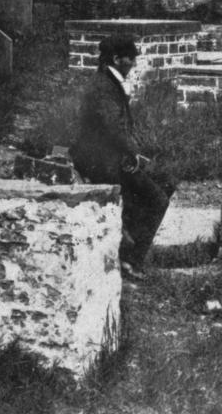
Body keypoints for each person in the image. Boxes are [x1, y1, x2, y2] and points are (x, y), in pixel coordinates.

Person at [70, 35, 172, 281]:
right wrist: (133, 153)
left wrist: (133, 152)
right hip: (103, 164)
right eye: (131, 58)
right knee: (158, 199)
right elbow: (113, 127)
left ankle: (128, 243)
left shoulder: (105, 82)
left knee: (167, 181)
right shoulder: (103, 87)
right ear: (116, 59)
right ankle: (130, 260)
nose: (134, 63)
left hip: (111, 158)